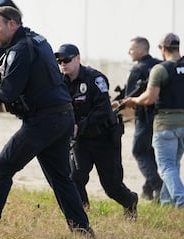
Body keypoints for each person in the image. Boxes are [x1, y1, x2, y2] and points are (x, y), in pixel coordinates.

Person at [0, 7, 94, 237]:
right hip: (61, 117)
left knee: (1, 168)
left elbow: (7, 93)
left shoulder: (19, 50)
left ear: (12, 24)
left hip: (43, 121)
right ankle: (83, 231)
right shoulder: (36, 39)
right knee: (61, 179)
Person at [55, 44, 138, 220]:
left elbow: (104, 110)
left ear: (77, 58)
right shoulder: (59, 81)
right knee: (75, 178)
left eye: (67, 60)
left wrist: (80, 125)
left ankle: (130, 201)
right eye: (60, 61)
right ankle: (82, 214)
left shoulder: (94, 78)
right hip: (81, 140)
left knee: (112, 186)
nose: (63, 64)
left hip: (104, 139)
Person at [122, 33, 184, 208]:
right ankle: (166, 202)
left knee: (166, 166)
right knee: (173, 164)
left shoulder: (161, 69)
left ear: (162, 49)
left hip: (166, 125)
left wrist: (133, 101)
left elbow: (149, 98)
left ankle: (182, 200)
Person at [124, 37, 162, 201]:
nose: (129, 52)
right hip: (162, 117)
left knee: (139, 150)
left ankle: (158, 186)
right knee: (150, 152)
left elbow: (129, 100)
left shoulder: (137, 69)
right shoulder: (161, 65)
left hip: (145, 117)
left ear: (141, 50)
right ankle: (148, 190)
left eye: (131, 49)